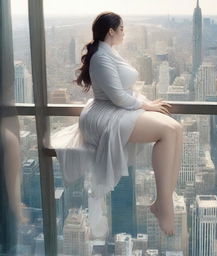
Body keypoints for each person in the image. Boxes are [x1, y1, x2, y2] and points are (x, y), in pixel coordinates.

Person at [73, 11, 183, 237]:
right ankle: (164, 206)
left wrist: (145, 102)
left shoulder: (109, 52)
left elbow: (124, 92)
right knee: (167, 130)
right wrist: (148, 107)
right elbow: (118, 97)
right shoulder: (101, 58)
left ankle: (162, 202)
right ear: (111, 31)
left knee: (177, 129)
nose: (124, 33)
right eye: (122, 29)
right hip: (106, 114)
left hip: (118, 108)